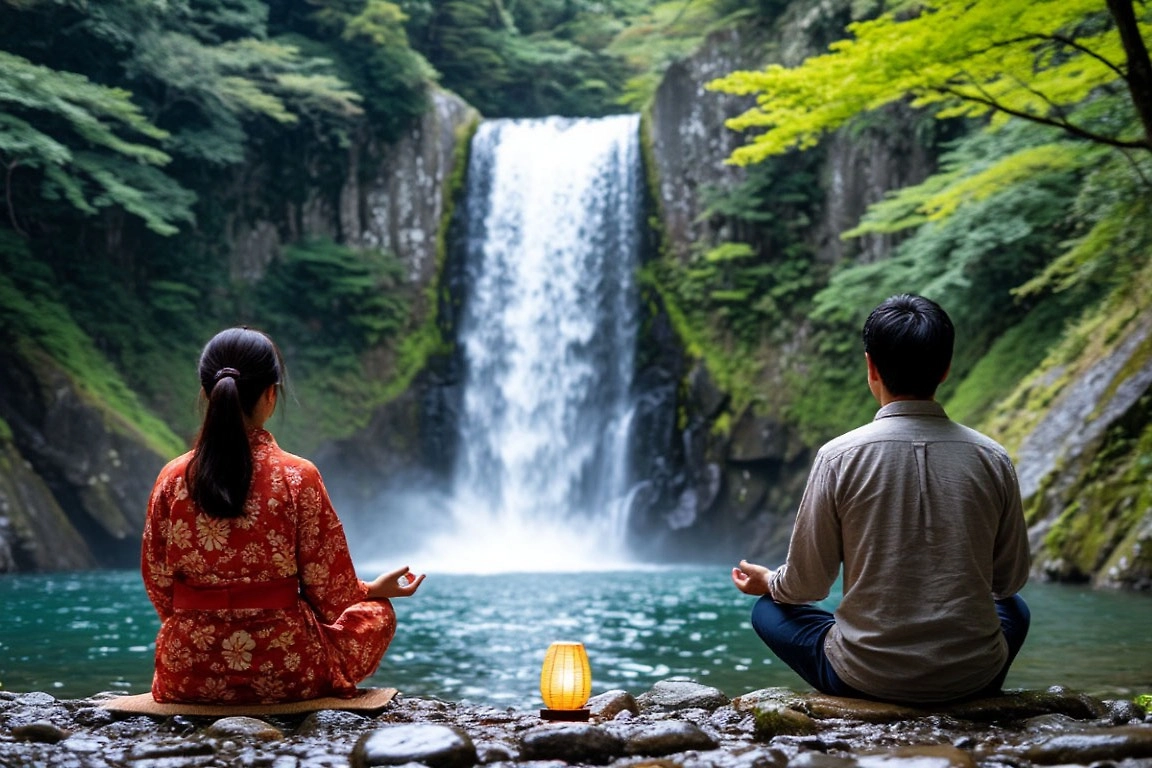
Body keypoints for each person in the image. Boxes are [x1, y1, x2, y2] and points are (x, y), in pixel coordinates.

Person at [732, 294, 1031, 706]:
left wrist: (770, 582)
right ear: (946, 367)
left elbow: (808, 586)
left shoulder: (837, 457)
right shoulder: (992, 457)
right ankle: (965, 671)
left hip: (864, 676)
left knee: (768, 610)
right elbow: (1008, 582)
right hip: (973, 677)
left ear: (871, 366)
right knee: (1016, 609)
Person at [142, 327, 425, 704]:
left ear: (208, 393)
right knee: (377, 613)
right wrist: (374, 590)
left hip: (188, 672)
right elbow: (330, 594)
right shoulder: (297, 477)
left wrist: (206, 627)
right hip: (287, 671)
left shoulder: (172, 478)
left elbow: (159, 584)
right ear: (270, 395)